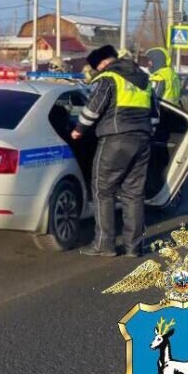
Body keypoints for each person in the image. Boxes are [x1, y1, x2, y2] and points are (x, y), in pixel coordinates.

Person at [71, 44, 159, 258]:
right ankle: (134, 247)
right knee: (133, 194)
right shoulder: (143, 80)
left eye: (96, 67)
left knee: (103, 190)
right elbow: (155, 116)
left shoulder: (108, 77)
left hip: (115, 139)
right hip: (143, 140)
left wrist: (78, 130)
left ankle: (104, 244)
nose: (96, 72)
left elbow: (93, 109)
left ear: (102, 63)